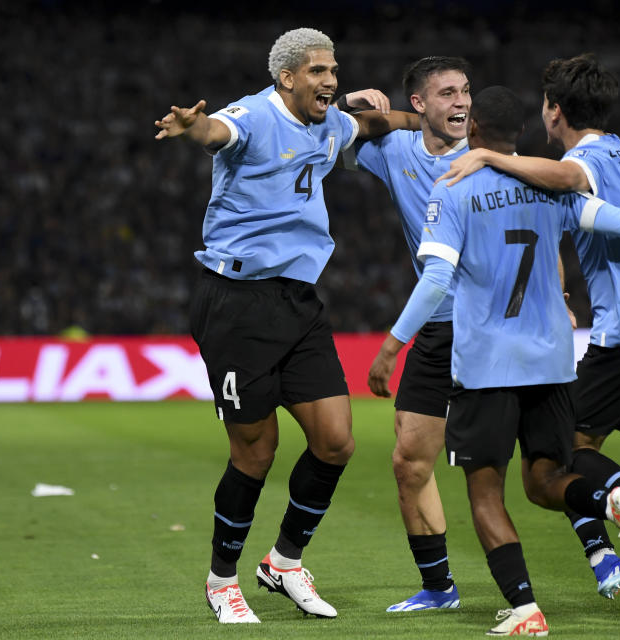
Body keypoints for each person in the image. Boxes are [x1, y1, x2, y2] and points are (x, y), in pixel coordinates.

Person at [373, 85, 620, 635]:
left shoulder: (455, 188)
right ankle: (614, 502)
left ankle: (525, 610)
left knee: (486, 492)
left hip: (488, 364)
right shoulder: (550, 187)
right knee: (545, 478)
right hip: (553, 364)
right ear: (520, 133)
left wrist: (393, 344)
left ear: (471, 132)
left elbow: (437, 277)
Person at [153, 27, 419, 624]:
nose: (330, 80)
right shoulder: (252, 114)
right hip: (235, 304)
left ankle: (284, 561)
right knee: (256, 452)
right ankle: (222, 581)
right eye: (319, 71)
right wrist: (193, 128)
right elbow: (217, 133)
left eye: (334, 70)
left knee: (336, 440)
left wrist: (423, 120)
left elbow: (372, 126)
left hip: (298, 302)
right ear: (287, 77)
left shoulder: (329, 123)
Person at [335, 55, 472, 613]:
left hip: (493, 328)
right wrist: (349, 106)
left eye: (465, 91)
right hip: (439, 328)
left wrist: (556, 297)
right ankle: (438, 588)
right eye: (446, 93)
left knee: (538, 463)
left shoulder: (490, 158)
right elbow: (333, 145)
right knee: (409, 460)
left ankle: (613, 532)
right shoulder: (396, 152)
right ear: (419, 103)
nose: (462, 102)